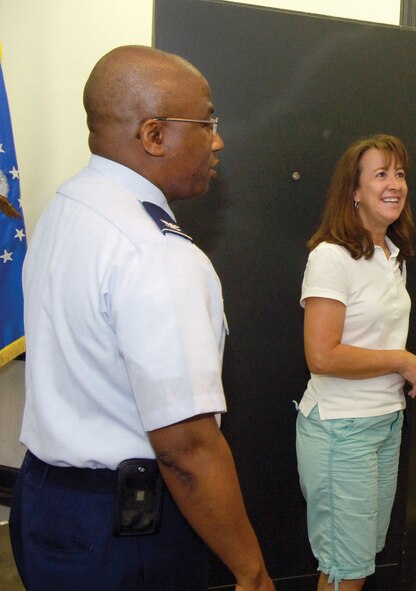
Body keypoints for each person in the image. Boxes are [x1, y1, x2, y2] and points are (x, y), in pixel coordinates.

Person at [9, 46, 275, 591]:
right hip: (126, 530)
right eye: (206, 123)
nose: (218, 140)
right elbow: (186, 448)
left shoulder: (68, 206)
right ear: (154, 136)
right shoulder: (156, 253)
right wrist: (251, 572)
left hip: (44, 502)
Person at [296, 134, 416, 591]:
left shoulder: (392, 256)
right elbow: (321, 354)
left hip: (384, 423)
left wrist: (405, 365)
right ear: (354, 191)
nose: (394, 184)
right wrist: (402, 360)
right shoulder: (330, 257)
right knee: (345, 569)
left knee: (359, 558)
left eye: (399, 174)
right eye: (380, 174)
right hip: (341, 429)